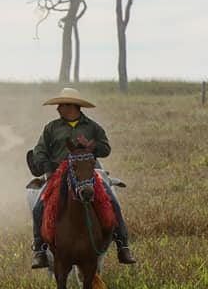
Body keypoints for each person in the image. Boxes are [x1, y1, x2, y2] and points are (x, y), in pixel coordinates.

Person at [29, 88, 136, 269]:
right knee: (39, 206)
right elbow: (39, 151)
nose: (58, 109)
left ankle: (123, 245)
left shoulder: (92, 127)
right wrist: (47, 170)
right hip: (58, 175)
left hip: (87, 174)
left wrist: (91, 147)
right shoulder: (51, 128)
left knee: (112, 201)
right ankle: (40, 249)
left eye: (61, 105)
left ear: (72, 106)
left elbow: (105, 148)